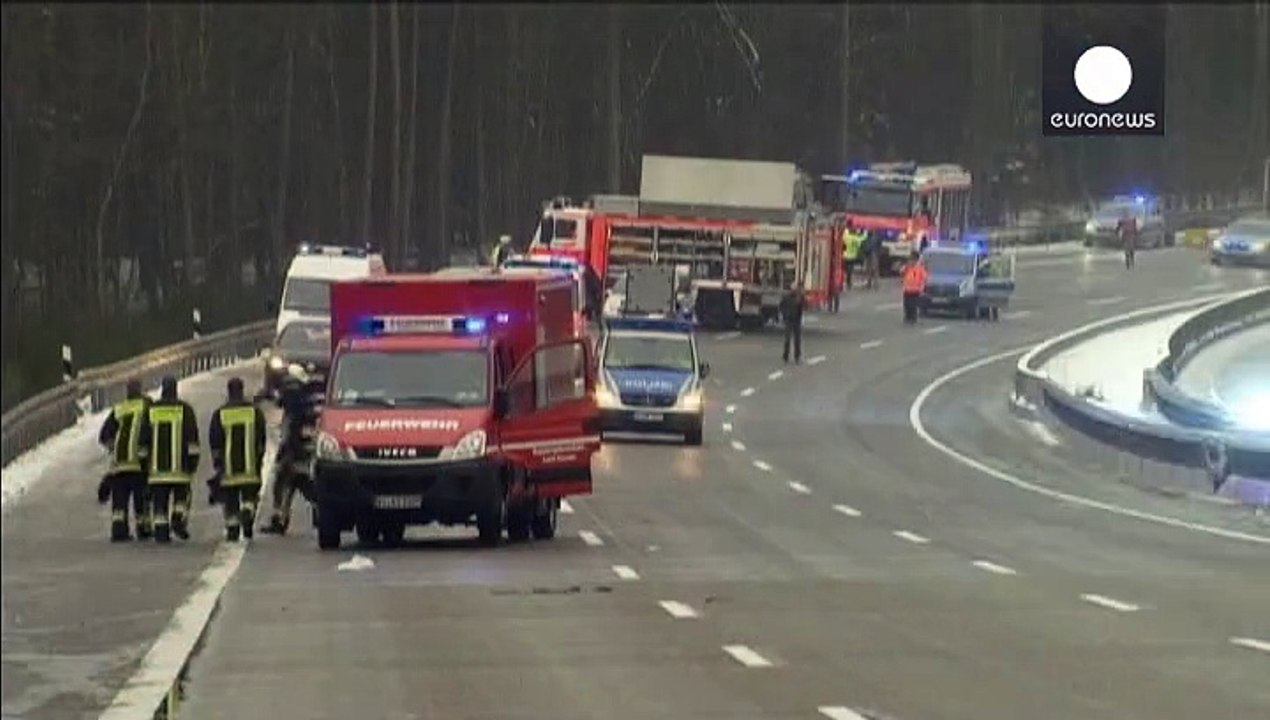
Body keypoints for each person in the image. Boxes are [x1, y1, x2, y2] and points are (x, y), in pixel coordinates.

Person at [207, 377, 267, 542]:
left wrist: (218, 463)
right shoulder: (255, 412)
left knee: (230, 503)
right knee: (249, 497)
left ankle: (233, 529)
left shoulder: (220, 414)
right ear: (242, 390)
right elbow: (262, 438)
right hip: (250, 469)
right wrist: (259, 459)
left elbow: (215, 441)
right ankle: (247, 514)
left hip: (229, 471)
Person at [263, 365, 319, 535]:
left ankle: (280, 518)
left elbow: (293, 433)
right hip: (302, 452)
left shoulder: (299, 408)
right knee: (297, 484)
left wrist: (287, 454)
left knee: (287, 483)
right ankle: (281, 518)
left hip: (297, 452)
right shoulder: (306, 403)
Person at [145, 375, 200, 543]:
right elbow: (192, 440)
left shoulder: (151, 410)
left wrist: (144, 465)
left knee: (159, 503)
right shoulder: (185, 410)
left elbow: (143, 440)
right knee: (181, 498)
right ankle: (178, 518)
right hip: (180, 470)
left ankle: (161, 531)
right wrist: (192, 464)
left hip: (157, 472)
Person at [97, 378, 152, 542]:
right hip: (138, 462)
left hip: (119, 464)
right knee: (141, 498)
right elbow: (152, 430)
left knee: (119, 501)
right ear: (140, 390)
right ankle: (143, 529)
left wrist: (114, 448)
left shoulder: (119, 408)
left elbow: (104, 435)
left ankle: (118, 531)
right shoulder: (147, 405)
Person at [779, 282, 805, 364]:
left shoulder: (799, 298)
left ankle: (797, 356)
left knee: (797, 339)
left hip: (796, 320)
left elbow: (802, 307)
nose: (794, 290)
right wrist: (784, 315)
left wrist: (802, 298)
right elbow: (781, 306)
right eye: (793, 289)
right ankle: (785, 355)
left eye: (795, 289)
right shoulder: (786, 297)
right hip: (788, 320)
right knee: (787, 339)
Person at [900, 250, 928, 324]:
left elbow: (924, 278)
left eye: (912, 259)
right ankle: (907, 317)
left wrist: (922, 288)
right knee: (906, 304)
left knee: (913, 305)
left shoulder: (919, 268)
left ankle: (913, 317)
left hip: (915, 290)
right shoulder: (907, 267)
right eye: (910, 259)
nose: (911, 261)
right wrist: (906, 266)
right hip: (907, 290)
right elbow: (901, 272)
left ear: (916, 259)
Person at [842, 221, 865, 291]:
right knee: (849, 271)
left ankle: (844, 282)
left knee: (845, 270)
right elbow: (861, 240)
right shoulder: (854, 238)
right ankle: (848, 283)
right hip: (852, 256)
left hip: (844, 255)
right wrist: (865, 232)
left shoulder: (845, 235)